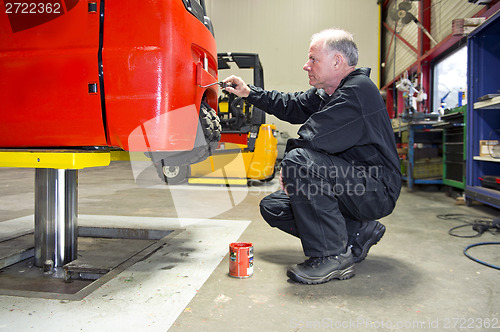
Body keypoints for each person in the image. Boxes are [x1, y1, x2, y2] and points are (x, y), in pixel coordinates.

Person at [223, 28, 401, 285]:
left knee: (298, 161)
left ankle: (331, 257)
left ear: (337, 61)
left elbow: (312, 137)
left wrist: (287, 167)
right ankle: (359, 231)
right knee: (274, 207)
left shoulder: (357, 91)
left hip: (375, 188)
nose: (306, 66)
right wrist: (249, 92)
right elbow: (291, 104)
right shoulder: (328, 93)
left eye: (313, 59)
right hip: (349, 182)